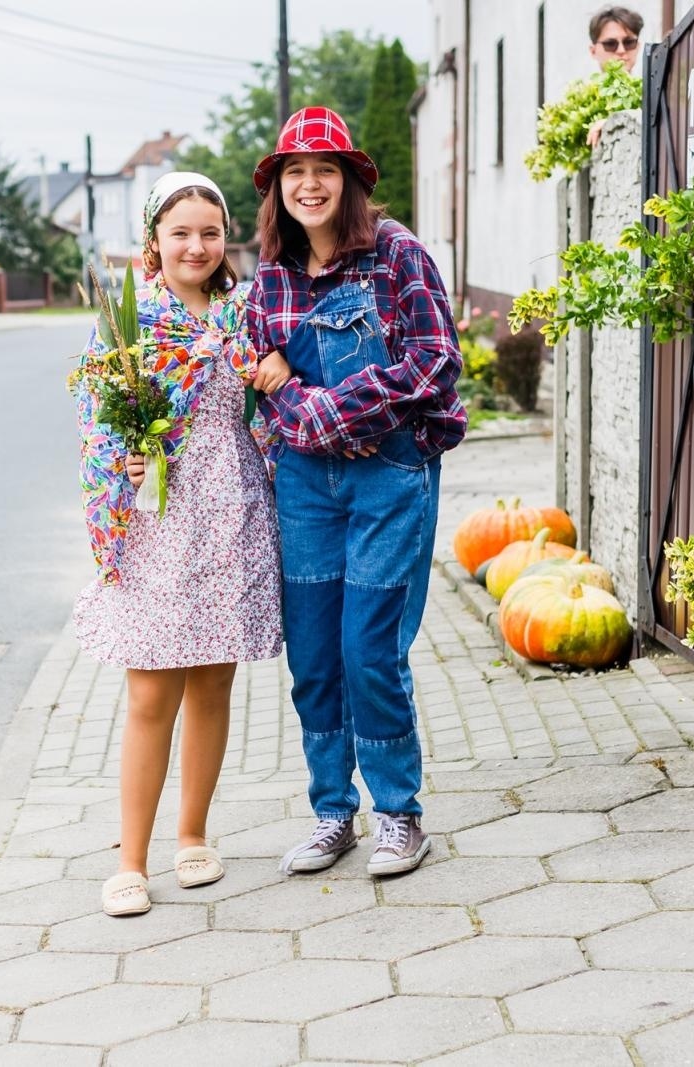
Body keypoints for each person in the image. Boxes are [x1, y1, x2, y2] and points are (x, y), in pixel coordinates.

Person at [245, 107, 466, 878]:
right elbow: (255, 368)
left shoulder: (396, 253)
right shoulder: (269, 272)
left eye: (324, 170)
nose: (310, 184)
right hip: (306, 484)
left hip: (389, 473)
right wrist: (284, 397)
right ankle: (332, 812)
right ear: (278, 189)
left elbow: (434, 362)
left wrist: (313, 406)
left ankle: (399, 814)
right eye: (294, 173)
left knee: (369, 650)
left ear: (350, 181)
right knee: (313, 657)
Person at [68, 172, 288, 917]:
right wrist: (122, 459)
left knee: (213, 685)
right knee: (150, 691)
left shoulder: (245, 313)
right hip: (159, 522)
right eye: (181, 232)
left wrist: (276, 373)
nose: (197, 245)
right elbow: (95, 421)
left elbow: (269, 397)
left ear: (227, 239)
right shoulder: (131, 323)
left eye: (210, 231)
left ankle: (193, 835)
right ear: (153, 241)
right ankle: (130, 859)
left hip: (231, 518)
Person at [587, 5, 646, 148]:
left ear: (638, 46)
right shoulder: (585, 103)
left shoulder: (654, 90)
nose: (621, 50)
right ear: (593, 51)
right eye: (610, 44)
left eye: (629, 42)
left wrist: (611, 124)